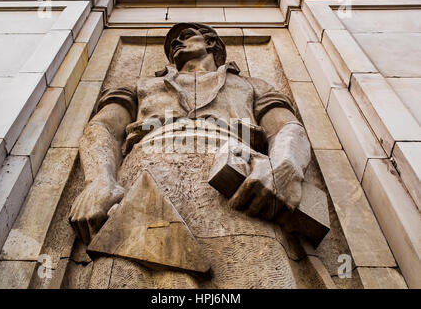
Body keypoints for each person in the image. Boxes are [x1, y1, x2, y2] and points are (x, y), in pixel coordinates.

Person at [68, 23, 311, 288]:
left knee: (257, 278)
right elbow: (102, 128)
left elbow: (286, 128)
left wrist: (286, 167)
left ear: (211, 43)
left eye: (185, 36)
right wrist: (99, 180)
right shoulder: (142, 85)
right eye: (173, 41)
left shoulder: (251, 86)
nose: (175, 43)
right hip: (145, 181)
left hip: (236, 186)